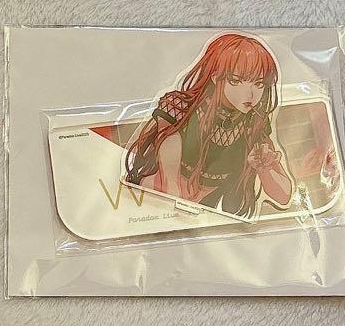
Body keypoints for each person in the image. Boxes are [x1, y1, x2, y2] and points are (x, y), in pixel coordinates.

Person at [125, 33, 293, 217]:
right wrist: (175, 207)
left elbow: (283, 196)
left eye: (259, 84)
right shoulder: (181, 109)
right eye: (236, 81)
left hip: (204, 209)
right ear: (215, 77)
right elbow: (169, 179)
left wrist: (264, 170)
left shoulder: (254, 124)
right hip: (157, 194)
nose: (251, 94)